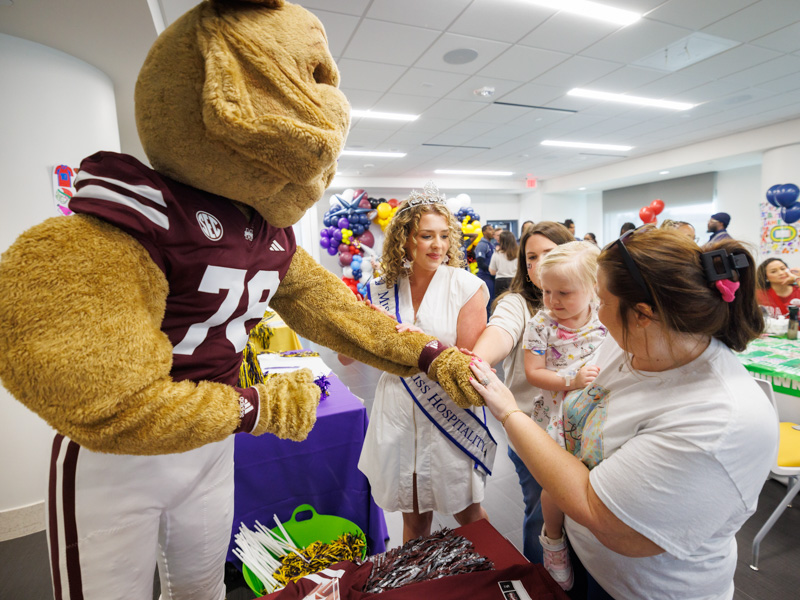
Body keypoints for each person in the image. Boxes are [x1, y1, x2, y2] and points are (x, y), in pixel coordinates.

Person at [467, 226, 777, 599]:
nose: (597, 313)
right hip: (585, 561)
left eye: (601, 301)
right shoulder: (631, 341)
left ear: (643, 313)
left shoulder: (719, 417)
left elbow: (597, 510)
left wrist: (508, 412)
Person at [358, 186, 491, 544]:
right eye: (426, 236)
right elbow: (349, 354)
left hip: (447, 411)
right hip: (398, 408)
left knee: (468, 512)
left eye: (444, 236)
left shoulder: (466, 286)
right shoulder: (380, 287)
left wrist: (418, 342)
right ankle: (414, 580)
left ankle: (498, 575)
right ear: (405, 238)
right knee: (413, 515)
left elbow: (466, 362)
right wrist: (357, 322)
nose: (438, 245)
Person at [472, 221, 575, 564]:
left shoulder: (594, 304)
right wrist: (477, 360)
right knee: (542, 516)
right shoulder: (520, 305)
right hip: (534, 432)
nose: (540, 264)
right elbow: (500, 330)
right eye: (531, 257)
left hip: (585, 435)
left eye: (550, 253)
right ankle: (541, 583)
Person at [522, 242, 607, 590]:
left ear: (593, 289)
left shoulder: (604, 316)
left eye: (564, 293)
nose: (553, 301)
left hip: (597, 413)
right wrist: (569, 381)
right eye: (546, 291)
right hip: (557, 412)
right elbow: (533, 372)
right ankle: (553, 539)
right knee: (555, 483)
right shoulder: (541, 324)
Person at [474, 224, 496, 317]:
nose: (493, 231)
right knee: (487, 303)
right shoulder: (482, 245)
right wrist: (491, 270)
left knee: (492, 303)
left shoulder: (491, 244)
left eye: (493, 229)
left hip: (492, 277)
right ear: (484, 232)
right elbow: (480, 262)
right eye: (490, 229)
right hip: (485, 277)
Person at [489, 230, 519, 299]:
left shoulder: (497, 254)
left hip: (500, 282)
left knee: (500, 303)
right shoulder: (518, 254)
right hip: (514, 281)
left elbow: (492, 272)